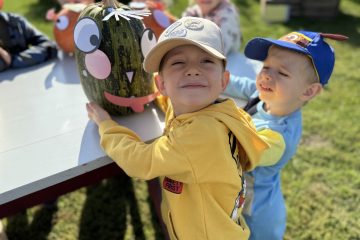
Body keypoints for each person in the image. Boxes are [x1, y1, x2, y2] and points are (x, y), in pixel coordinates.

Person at [86, 16, 282, 239]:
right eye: (178, 63)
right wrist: (157, 100)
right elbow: (172, 104)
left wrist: (106, 125)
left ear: (224, 81)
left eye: (206, 61)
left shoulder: (201, 134)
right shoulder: (218, 112)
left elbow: (139, 161)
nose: (192, 70)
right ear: (162, 85)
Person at [223, 31, 348, 240]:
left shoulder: (278, 137)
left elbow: (237, 150)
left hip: (257, 214)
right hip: (240, 196)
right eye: (266, 67)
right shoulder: (265, 96)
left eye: (282, 73)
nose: (266, 76)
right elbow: (238, 85)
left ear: (308, 91)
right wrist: (210, 78)